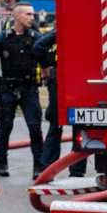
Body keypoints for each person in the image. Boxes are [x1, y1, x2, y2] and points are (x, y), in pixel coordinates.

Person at [0, 2, 44, 179]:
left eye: (32, 15)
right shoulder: (2, 38)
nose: (32, 18)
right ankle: (2, 162)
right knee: (5, 126)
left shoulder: (36, 37)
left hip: (29, 87)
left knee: (35, 127)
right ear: (16, 16)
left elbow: (46, 62)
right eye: (28, 14)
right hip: (8, 88)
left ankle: (38, 166)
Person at [33, 29, 88, 178]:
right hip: (80, 81)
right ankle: (76, 171)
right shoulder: (81, 30)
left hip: (60, 83)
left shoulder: (59, 31)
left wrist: (45, 65)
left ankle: (47, 170)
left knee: (56, 125)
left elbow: (38, 47)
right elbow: (38, 47)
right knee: (81, 125)